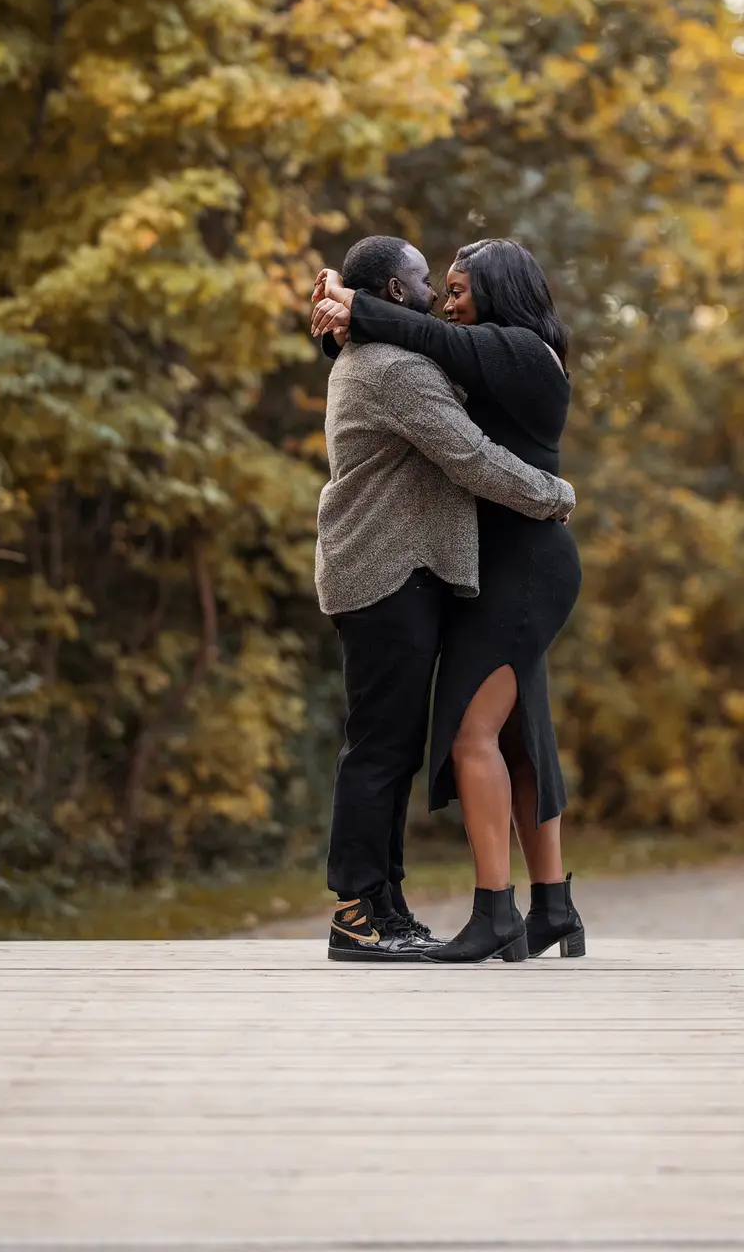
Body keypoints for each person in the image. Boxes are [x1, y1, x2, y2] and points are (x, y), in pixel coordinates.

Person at [313, 238, 587, 964]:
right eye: (427, 281)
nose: (439, 294)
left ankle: (391, 907)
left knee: (420, 743)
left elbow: (429, 356)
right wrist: (553, 495)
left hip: (454, 568)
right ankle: (361, 911)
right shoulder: (400, 368)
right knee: (387, 748)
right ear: (398, 293)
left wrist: (352, 316)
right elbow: (464, 451)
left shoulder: (479, 353)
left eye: (455, 285)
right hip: (389, 569)